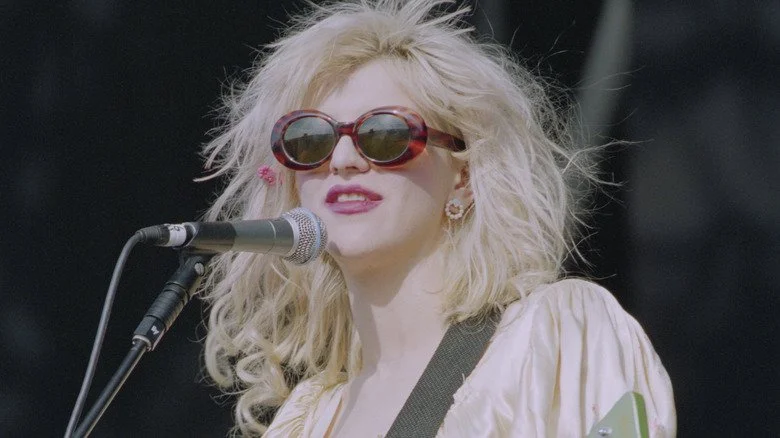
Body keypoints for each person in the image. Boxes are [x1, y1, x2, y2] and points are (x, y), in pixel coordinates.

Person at [198, 0, 676, 436]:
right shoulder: (307, 422)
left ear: (464, 177)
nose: (342, 159)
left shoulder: (552, 337)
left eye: (384, 135)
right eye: (311, 140)